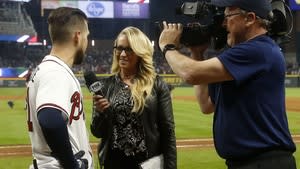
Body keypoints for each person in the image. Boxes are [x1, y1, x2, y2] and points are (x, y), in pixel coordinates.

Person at [158, 0, 297, 169]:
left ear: (250, 18)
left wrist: (168, 47)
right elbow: (206, 105)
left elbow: (191, 74)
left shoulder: (259, 49)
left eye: (228, 16)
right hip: (244, 163)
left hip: (265, 162)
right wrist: (197, 53)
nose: (223, 24)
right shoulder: (237, 57)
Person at [90, 26, 177, 169]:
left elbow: (168, 131)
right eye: (119, 48)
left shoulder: (157, 84)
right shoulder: (105, 86)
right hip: (113, 164)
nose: (122, 54)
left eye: (129, 49)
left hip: (148, 164)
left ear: (140, 52)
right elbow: (97, 132)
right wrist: (100, 113)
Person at [26, 7, 93, 169]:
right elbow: (50, 120)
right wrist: (72, 166)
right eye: (86, 36)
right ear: (77, 36)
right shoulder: (55, 71)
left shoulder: (49, 68)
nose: (86, 42)